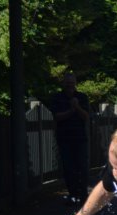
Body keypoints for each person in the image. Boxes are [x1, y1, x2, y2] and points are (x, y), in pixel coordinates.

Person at [50, 72, 90, 205]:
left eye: (72, 83)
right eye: (67, 83)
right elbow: (57, 116)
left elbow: (86, 116)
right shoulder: (57, 97)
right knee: (68, 168)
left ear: (75, 83)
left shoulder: (82, 97)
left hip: (80, 137)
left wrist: (77, 107)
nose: (70, 85)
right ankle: (73, 194)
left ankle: (83, 195)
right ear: (63, 83)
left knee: (82, 167)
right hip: (64, 138)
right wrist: (71, 111)